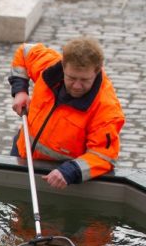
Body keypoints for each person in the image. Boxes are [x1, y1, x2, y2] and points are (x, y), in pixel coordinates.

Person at [8, 36, 124, 189]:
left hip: (58, 176)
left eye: (84, 80)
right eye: (71, 78)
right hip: (22, 155)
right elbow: (24, 52)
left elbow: (104, 156)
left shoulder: (106, 109)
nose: (76, 86)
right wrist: (20, 91)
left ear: (96, 71)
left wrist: (71, 170)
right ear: (63, 66)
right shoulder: (48, 65)